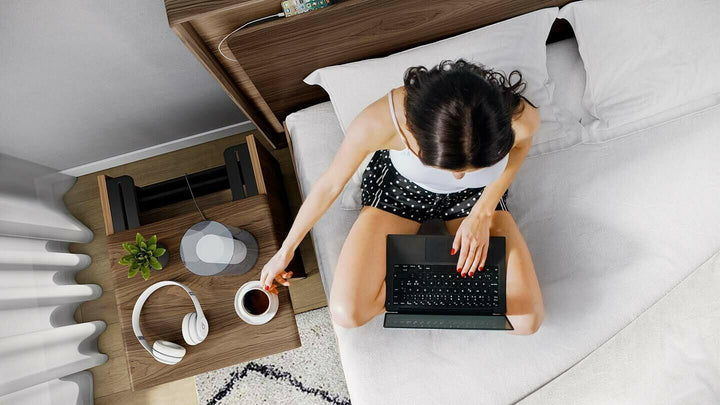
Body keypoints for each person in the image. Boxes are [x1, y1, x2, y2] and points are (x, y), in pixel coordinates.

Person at [260, 59, 544, 335]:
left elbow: (520, 148)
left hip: (477, 198)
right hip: (402, 191)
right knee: (348, 312)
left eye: (474, 168)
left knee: (525, 321)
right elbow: (330, 184)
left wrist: (482, 213)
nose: (459, 177)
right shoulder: (381, 121)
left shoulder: (518, 119)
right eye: (449, 168)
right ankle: (440, 275)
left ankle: (434, 270)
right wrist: (286, 250)